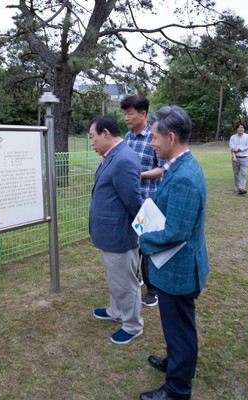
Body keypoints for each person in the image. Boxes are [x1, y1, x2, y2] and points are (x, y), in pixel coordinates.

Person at [138, 105, 209, 400]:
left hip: (178, 269)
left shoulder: (184, 177)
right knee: (177, 324)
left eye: (153, 137)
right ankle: (177, 364)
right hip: (173, 265)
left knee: (180, 328)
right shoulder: (178, 166)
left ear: (170, 137)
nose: (151, 143)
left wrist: (142, 240)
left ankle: (177, 389)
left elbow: (176, 232)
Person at [89, 115, 144, 345]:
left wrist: (142, 233)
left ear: (106, 133)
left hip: (120, 234)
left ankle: (132, 325)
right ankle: (116, 311)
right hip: (110, 234)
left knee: (125, 282)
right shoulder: (111, 156)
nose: (91, 142)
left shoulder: (123, 159)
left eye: (92, 137)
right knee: (116, 278)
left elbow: (134, 202)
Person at [121, 95, 165, 307]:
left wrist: (140, 174)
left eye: (130, 113)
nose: (126, 117)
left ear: (143, 114)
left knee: (147, 246)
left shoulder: (155, 137)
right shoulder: (126, 139)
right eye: (125, 113)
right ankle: (135, 277)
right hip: (129, 202)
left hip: (148, 202)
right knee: (131, 243)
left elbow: (163, 169)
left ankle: (153, 289)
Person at [228, 123, 248, 194]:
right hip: (235, 158)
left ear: (244, 129)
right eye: (239, 127)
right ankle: (238, 187)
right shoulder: (233, 137)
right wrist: (234, 156)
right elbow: (231, 148)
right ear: (236, 129)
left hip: (245, 158)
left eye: (242, 127)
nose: (240, 129)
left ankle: (242, 188)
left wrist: (238, 149)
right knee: (236, 173)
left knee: (244, 173)